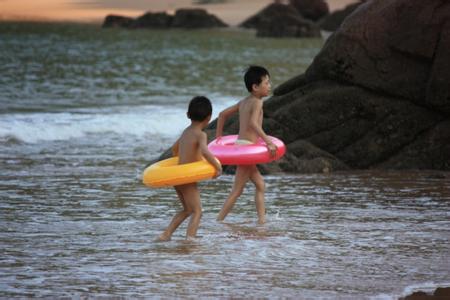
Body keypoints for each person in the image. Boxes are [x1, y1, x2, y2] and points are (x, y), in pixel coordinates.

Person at [215, 66, 277, 225]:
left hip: (241, 146)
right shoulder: (257, 102)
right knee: (237, 191)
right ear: (255, 87)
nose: (269, 86)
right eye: (267, 83)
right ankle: (218, 221)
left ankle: (262, 222)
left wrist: (218, 138)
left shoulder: (243, 102)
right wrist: (268, 142)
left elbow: (222, 115)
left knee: (260, 185)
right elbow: (253, 123)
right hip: (247, 149)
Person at [158, 96, 222, 241]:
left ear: (188, 115)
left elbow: (175, 148)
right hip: (186, 179)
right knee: (198, 211)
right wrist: (217, 167)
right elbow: (205, 152)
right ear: (209, 117)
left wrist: (180, 160)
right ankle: (190, 240)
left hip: (177, 177)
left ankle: (166, 235)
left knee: (187, 209)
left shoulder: (186, 132)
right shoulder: (201, 135)